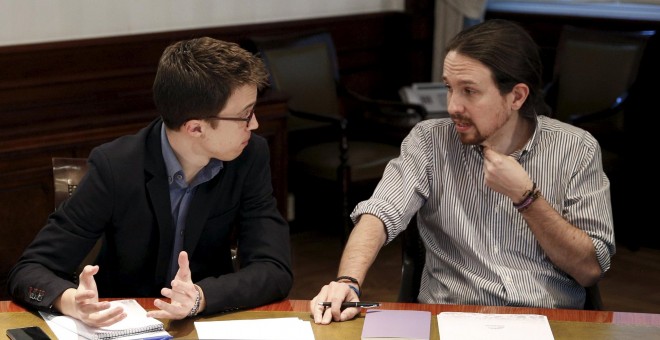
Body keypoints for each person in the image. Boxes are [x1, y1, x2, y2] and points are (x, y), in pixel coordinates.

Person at [310, 19, 616, 324]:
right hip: (448, 319)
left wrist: (527, 198)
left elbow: (590, 269)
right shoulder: (430, 141)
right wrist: (347, 281)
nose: (453, 105)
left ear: (517, 97)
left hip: (549, 321)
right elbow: (379, 215)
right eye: (449, 88)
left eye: (469, 91)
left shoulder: (576, 149)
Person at [8, 37, 293, 327]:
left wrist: (201, 296)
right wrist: (69, 301)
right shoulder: (116, 166)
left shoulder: (248, 156)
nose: (254, 124)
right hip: (120, 325)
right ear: (195, 127)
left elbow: (274, 269)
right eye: (245, 115)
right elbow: (29, 270)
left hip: (203, 324)